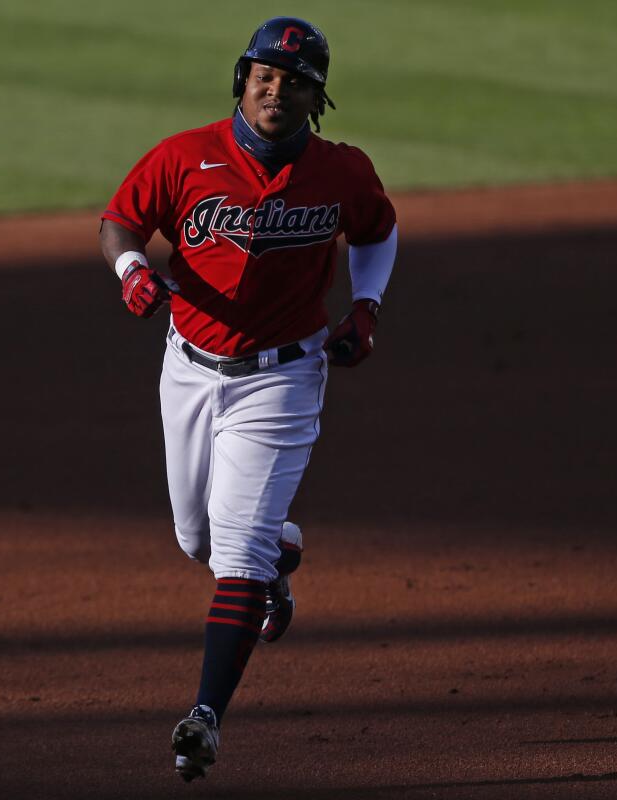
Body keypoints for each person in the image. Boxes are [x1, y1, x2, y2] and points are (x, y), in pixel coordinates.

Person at [99, 16, 397, 782]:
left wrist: (367, 307)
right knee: (195, 541)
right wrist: (132, 269)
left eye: (294, 80)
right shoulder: (185, 156)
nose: (276, 88)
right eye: (264, 74)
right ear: (243, 79)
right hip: (189, 368)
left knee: (234, 553)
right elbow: (121, 220)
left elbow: (377, 231)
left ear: (315, 98)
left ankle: (203, 718)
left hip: (284, 378)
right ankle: (280, 556)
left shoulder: (341, 172)